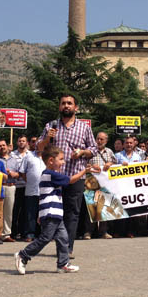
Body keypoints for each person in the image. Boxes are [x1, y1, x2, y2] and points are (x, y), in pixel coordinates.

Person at [36, 94, 96, 258]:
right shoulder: (51, 126)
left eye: (70, 103)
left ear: (76, 107)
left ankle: (67, 248)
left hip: (75, 175)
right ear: (59, 107)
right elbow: (39, 148)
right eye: (63, 103)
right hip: (55, 177)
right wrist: (48, 138)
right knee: (53, 212)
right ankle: (48, 240)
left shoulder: (84, 127)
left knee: (72, 213)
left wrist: (83, 152)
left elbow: (94, 149)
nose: (66, 106)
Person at [14, 145, 86, 275]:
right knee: (45, 238)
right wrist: (85, 170)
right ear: (51, 161)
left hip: (55, 212)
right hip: (51, 212)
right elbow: (71, 180)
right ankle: (23, 255)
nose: (63, 162)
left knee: (63, 238)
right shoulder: (50, 174)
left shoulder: (51, 174)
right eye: (61, 159)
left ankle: (63, 264)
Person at [86, 131, 117, 239]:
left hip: (106, 183)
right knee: (91, 206)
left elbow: (116, 164)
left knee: (104, 206)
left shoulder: (109, 152)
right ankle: (89, 232)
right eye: (98, 138)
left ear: (106, 141)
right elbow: (84, 163)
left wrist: (110, 164)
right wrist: (91, 165)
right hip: (92, 182)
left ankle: (103, 232)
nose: (99, 141)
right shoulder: (90, 151)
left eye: (101, 139)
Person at [19, 145, 45, 242]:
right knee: (30, 214)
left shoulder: (48, 156)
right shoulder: (28, 156)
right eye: (37, 145)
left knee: (44, 213)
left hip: (45, 191)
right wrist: (30, 180)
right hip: (31, 190)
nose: (39, 147)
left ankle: (44, 234)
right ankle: (30, 234)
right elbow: (22, 172)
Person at [0, 139, 20, 242]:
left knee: (8, 212)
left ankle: (6, 234)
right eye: (0, 146)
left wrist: (12, 173)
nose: (2, 147)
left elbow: (19, 174)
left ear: (7, 146)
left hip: (11, 186)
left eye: (3, 145)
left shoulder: (14, 160)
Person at [10, 135, 29, 239]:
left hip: (27, 185)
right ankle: (14, 232)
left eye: (23, 141)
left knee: (25, 210)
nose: (21, 142)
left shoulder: (30, 154)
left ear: (26, 143)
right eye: (20, 141)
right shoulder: (12, 154)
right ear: (17, 142)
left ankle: (23, 232)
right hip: (16, 185)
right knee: (15, 210)